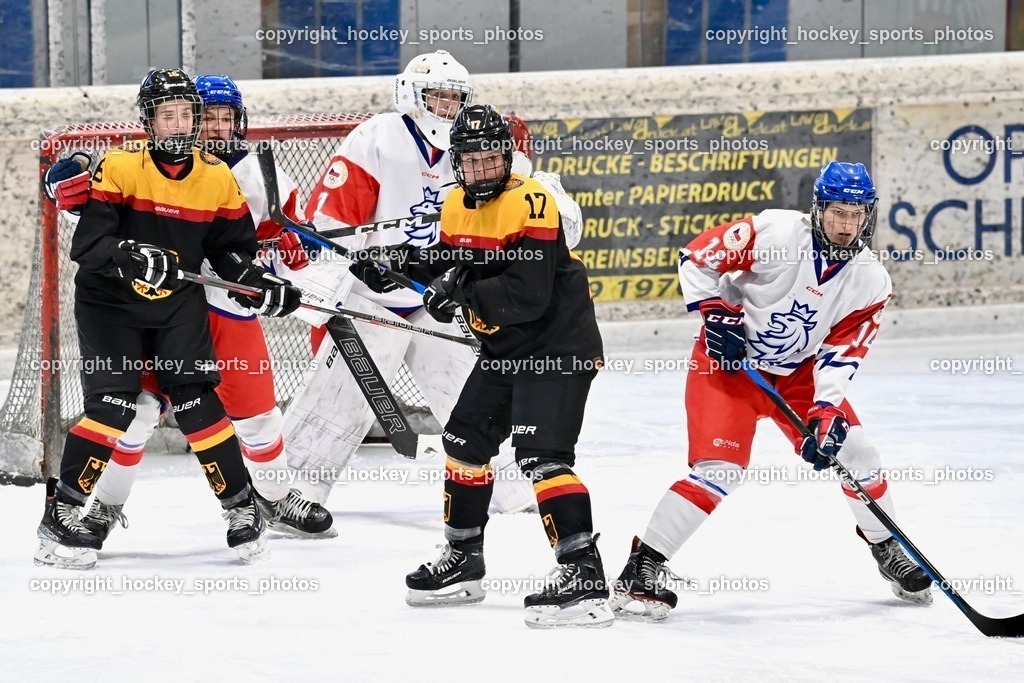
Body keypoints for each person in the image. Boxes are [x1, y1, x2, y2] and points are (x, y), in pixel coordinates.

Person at [609, 161, 933, 621]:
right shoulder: (775, 233)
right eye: (837, 213)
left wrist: (825, 409)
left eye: (855, 214)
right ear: (818, 210)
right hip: (728, 368)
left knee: (857, 451)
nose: (845, 225)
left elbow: (843, 352)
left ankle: (886, 546)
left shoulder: (871, 280)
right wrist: (716, 311)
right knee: (720, 469)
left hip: (797, 375)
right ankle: (643, 567)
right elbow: (698, 258)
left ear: (869, 216)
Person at [280, 50, 581, 533]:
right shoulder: (378, 137)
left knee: (470, 388)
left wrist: (553, 204)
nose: (447, 107)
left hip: (435, 294)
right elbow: (332, 223)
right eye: (438, 97)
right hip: (372, 297)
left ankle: (511, 486)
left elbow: (551, 216)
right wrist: (331, 290)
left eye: (455, 98)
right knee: (342, 395)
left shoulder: (478, 147)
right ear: (411, 95)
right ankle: (290, 491)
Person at [34, 68, 301, 569]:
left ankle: (242, 509)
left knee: (199, 403)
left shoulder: (216, 177)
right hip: (111, 305)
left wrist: (259, 284)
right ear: (149, 121)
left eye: (187, 115)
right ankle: (60, 517)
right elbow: (89, 245)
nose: (179, 125)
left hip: (175, 305)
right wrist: (130, 254)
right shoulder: (119, 166)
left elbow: (230, 253)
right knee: (116, 408)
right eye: (168, 115)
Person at [365, 104, 612, 628]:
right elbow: (457, 260)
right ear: (457, 163)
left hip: (556, 350)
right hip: (506, 351)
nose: (481, 169)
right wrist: (397, 264)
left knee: (541, 457)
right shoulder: (455, 203)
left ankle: (583, 573)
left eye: (491, 157)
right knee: (463, 443)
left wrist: (457, 293)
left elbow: (528, 292)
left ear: (507, 157)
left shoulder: (532, 201)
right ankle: (464, 560)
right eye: (471, 160)